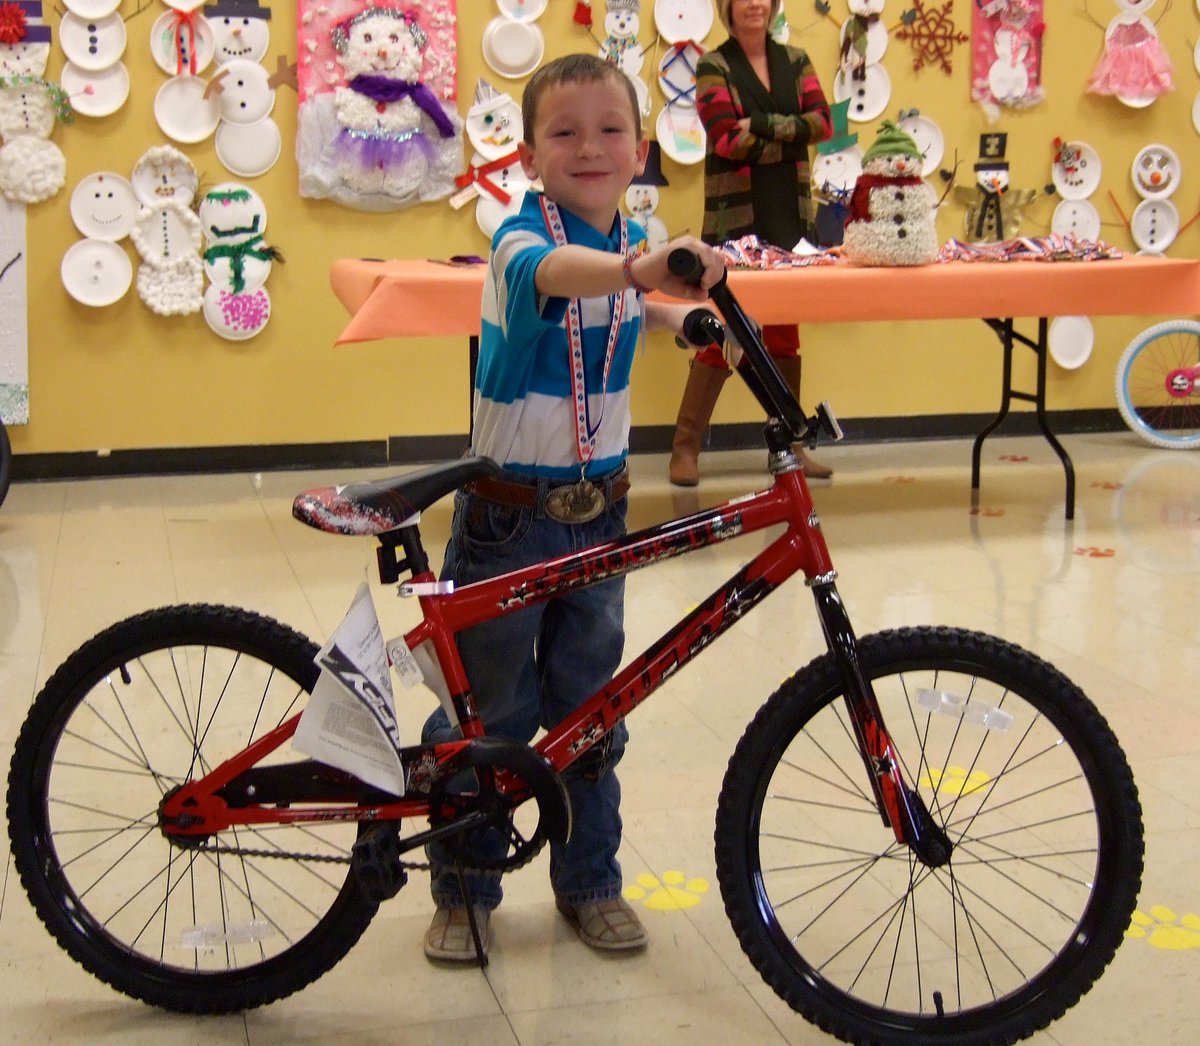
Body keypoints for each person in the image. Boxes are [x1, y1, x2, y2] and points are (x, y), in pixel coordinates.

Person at [420, 53, 725, 963]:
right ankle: (466, 889)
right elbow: (564, 277)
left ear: (640, 150)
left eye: (609, 131)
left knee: (595, 711)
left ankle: (589, 881)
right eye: (564, 132)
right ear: (527, 152)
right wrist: (645, 270)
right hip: (511, 515)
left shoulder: (629, 243)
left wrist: (682, 318)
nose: (588, 147)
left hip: (602, 510)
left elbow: (626, 302)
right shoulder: (522, 242)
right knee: (489, 716)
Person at [668, 0, 834, 486]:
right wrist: (790, 132)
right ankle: (685, 447)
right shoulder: (713, 65)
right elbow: (724, 139)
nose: (755, 4)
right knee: (727, 332)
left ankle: (793, 445)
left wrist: (758, 125)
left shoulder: (796, 60)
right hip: (735, 221)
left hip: (792, 220)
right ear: (728, 7)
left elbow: (823, 123)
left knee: (784, 335)